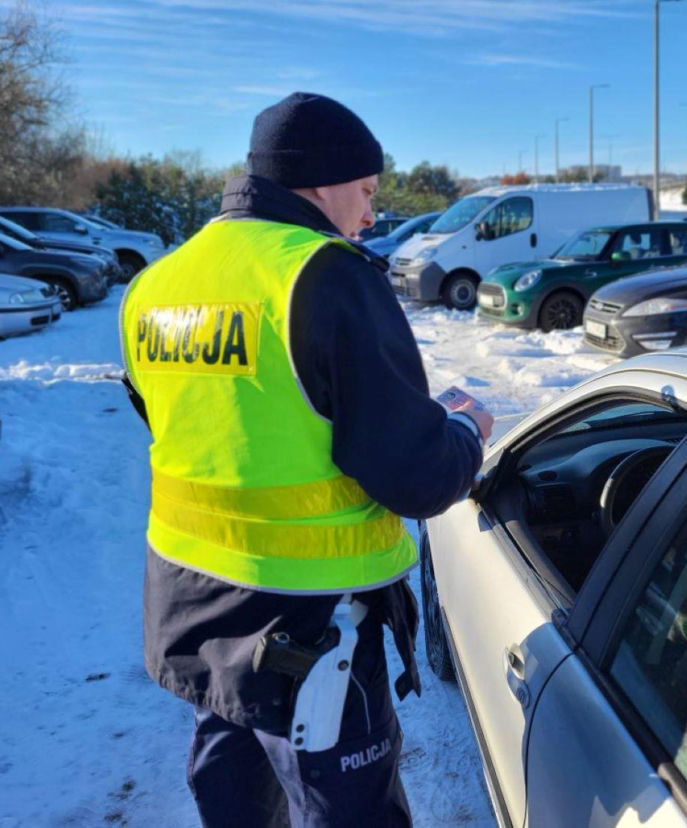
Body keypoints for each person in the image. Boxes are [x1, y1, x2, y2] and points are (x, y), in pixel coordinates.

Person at [119, 92, 493, 827]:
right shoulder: (324, 273)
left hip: (194, 610)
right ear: (321, 183)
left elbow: (176, 416)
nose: (371, 214)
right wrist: (464, 431)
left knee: (235, 800)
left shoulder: (157, 283)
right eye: (366, 191)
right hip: (310, 632)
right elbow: (414, 475)